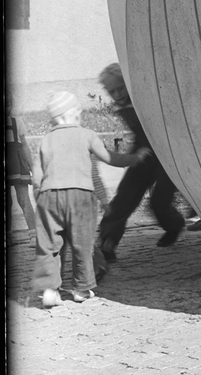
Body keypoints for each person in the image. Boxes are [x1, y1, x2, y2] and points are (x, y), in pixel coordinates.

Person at [32, 91, 147, 308]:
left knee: (49, 245)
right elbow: (109, 157)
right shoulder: (87, 134)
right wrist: (134, 158)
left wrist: (40, 198)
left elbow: (37, 176)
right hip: (80, 195)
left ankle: (50, 290)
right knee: (81, 243)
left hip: (49, 196)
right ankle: (81, 289)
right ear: (74, 113)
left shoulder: (45, 140)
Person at [95, 64, 185, 259]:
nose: (117, 94)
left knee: (159, 201)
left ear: (128, 83)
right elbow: (140, 133)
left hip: (168, 154)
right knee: (124, 196)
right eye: (112, 91)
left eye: (120, 88)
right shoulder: (122, 104)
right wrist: (133, 156)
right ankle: (107, 242)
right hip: (144, 153)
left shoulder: (143, 98)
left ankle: (174, 226)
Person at [6, 98, 36, 236]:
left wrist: (31, 166)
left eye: (8, 104)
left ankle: (33, 234)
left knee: (24, 199)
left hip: (17, 162)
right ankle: (9, 235)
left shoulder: (16, 121)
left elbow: (24, 145)